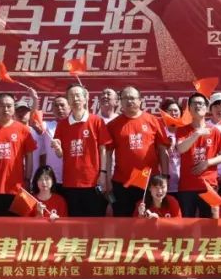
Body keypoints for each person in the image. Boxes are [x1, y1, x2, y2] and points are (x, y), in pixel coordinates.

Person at [107, 86, 170, 217]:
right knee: (122, 219)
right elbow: (107, 154)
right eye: (125, 98)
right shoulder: (113, 125)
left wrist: (165, 176)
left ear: (140, 100)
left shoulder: (154, 121)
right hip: (122, 181)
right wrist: (107, 178)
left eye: (132, 98)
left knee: (148, 218)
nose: (129, 101)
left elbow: (162, 150)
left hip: (149, 181)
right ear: (120, 101)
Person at [52, 84, 113, 217]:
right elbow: (60, 154)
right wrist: (57, 148)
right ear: (68, 101)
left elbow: (103, 149)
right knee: (75, 221)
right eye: (71, 96)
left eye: (78, 95)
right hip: (70, 182)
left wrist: (103, 174)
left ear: (85, 99)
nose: (75, 99)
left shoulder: (96, 121)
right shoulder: (62, 125)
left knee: (95, 220)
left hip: (93, 181)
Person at [0, 93, 37, 216]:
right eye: (2, 106)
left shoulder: (23, 130)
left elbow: (29, 156)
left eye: (9, 106)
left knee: (15, 225)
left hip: (17, 189)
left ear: (13, 109)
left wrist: (27, 179)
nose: (5, 109)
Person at [173, 92, 221, 218]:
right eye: (194, 104)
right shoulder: (182, 130)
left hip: (208, 185)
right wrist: (197, 133)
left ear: (207, 108)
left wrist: (207, 163)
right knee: (187, 222)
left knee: (210, 222)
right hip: (187, 186)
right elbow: (180, 149)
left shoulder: (214, 131)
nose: (198, 106)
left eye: (201, 104)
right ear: (189, 109)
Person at [38, 95, 70, 187]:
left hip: (72, 176)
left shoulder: (76, 126)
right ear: (52, 110)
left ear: (70, 107)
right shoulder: (47, 126)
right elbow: (34, 122)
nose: (59, 108)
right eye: (56, 105)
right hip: (53, 177)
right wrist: (35, 100)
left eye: (62, 105)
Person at [159, 98, 183, 195]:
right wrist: (165, 177)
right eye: (170, 110)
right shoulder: (160, 132)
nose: (173, 113)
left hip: (184, 183)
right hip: (165, 183)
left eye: (176, 110)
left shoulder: (186, 132)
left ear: (181, 113)